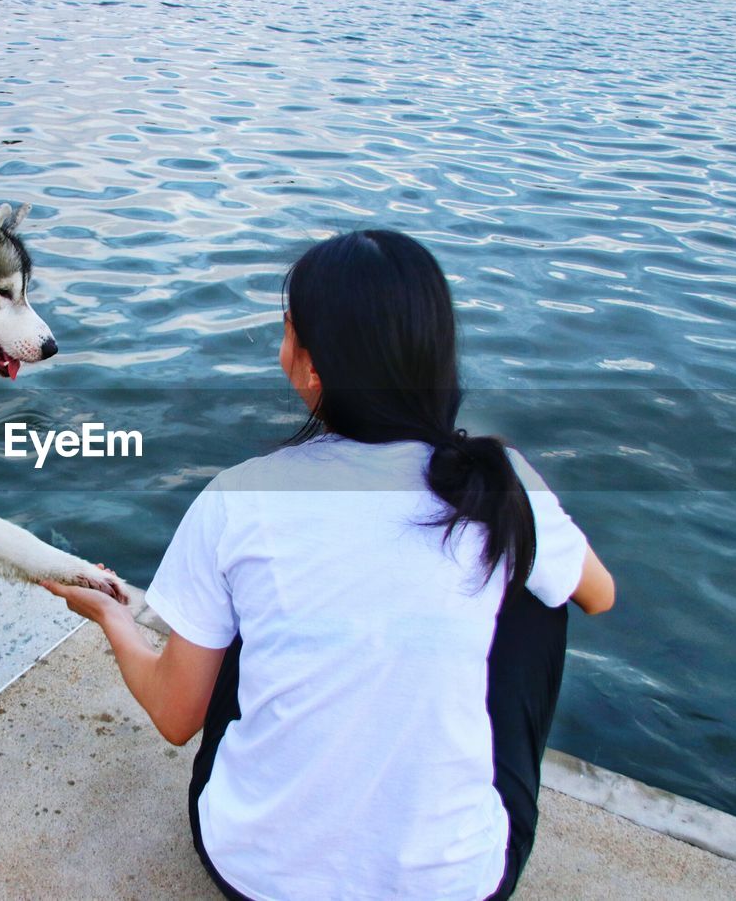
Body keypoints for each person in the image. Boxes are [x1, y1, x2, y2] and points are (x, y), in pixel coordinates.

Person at [43, 230, 615, 900]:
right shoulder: (497, 479)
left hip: (255, 874)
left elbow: (177, 716)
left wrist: (114, 615)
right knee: (540, 584)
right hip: (452, 887)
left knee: (244, 611)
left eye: (287, 328)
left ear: (311, 363)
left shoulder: (240, 494)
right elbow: (598, 595)